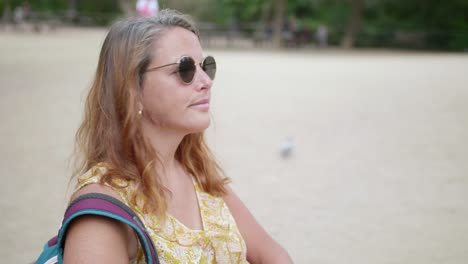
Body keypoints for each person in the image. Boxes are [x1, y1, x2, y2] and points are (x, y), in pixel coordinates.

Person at [63, 9, 293, 263]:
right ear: (131, 89)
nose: (206, 80)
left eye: (206, 66)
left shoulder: (200, 176)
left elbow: (275, 256)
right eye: (185, 69)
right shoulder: (103, 210)